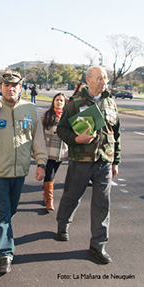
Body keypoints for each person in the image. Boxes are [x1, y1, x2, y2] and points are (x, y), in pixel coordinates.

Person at [0, 70, 47, 274]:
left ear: (20, 88)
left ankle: (1, 233)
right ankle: (5, 253)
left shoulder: (29, 109)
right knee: (1, 212)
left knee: (10, 210)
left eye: (14, 86)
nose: (10, 89)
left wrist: (41, 163)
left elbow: (37, 138)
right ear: (0, 88)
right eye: (6, 86)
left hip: (20, 171)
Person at [56, 66, 121, 264]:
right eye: (99, 78)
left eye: (106, 78)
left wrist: (116, 160)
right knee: (71, 196)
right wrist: (77, 139)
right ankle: (63, 224)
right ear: (88, 80)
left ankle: (98, 245)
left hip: (104, 161)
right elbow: (61, 130)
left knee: (103, 203)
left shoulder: (111, 102)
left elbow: (116, 135)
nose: (104, 82)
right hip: (80, 161)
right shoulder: (75, 102)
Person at [41, 93, 68, 211]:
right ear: (53, 101)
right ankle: (49, 200)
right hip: (48, 149)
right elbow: (39, 132)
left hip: (61, 151)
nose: (59, 102)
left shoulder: (68, 117)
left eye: (62, 101)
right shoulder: (46, 115)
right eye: (57, 100)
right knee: (49, 173)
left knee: (52, 174)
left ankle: (46, 194)